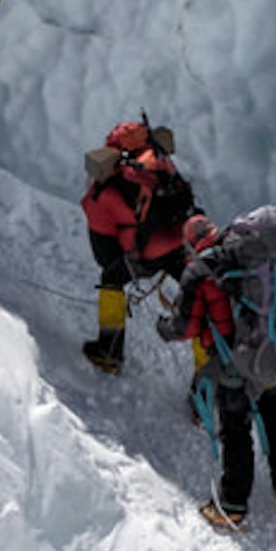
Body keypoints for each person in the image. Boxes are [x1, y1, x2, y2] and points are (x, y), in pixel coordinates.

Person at [174, 207, 276, 529]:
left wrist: (166, 326)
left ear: (193, 246)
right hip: (270, 348)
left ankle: (232, 504)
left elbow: (186, 327)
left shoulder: (206, 270)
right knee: (274, 412)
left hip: (236, 358)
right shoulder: (253, 257)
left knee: (235, 427)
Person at [77, 117, 198, 372]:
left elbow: (104, 250)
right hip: (179, 244)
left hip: (147, 252)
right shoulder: (162, 165)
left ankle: (108, 353)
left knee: (111, 278)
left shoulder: (112, 186)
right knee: (201, 299)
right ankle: (209, 389)